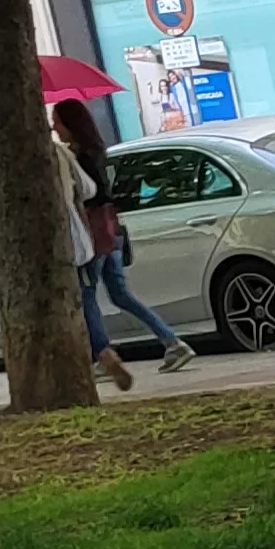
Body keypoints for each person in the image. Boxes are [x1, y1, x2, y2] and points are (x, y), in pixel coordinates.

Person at [55, 98, 191, 386]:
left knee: (87, 295)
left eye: (57, 121)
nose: (54, 128)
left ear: (70, 125)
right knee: (120, 294)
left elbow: (85, 193)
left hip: (92, 232)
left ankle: (103, 354)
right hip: (111, 229)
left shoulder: (76, 158)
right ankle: (171, 341)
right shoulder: (97, 152)